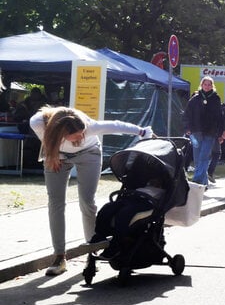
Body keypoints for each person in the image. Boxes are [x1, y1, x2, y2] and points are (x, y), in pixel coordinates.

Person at [29, 106, 153, 276]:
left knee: (87, 201)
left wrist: (143, 131)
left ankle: (92, 252)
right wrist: (53, 154)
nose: (82, 136)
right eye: (78, 135)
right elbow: (47, 139)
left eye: (83, 132)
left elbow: (115, 125)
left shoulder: (88, 127)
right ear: (61, 132)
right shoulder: (38, 123)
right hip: (57, 155)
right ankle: (59, 257)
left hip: (89, 153)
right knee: (55, 202)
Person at [91, 177, 165, 260]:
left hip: (146, 203)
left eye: (157, 181)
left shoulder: (161, 191)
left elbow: (161, 201)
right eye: (152, 181)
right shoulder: (143, 187)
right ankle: (100, 235)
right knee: (107, 208)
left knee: (124, 214)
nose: (154, 182)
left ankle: (117, 243)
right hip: (130, 199)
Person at [183, 76, 223, 187]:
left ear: (212, 86)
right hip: (196, 132)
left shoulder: (216, 99)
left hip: (210, 132)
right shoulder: (195, 99)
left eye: (209, 85)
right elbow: (187, 114)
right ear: (201, 85)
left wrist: (220, 133)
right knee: (197, 157)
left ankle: (197, 181)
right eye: (205, 84)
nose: (207, 86)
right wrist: (187, 128)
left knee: (204, 156)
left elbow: (219, 116)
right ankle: (203, 183)